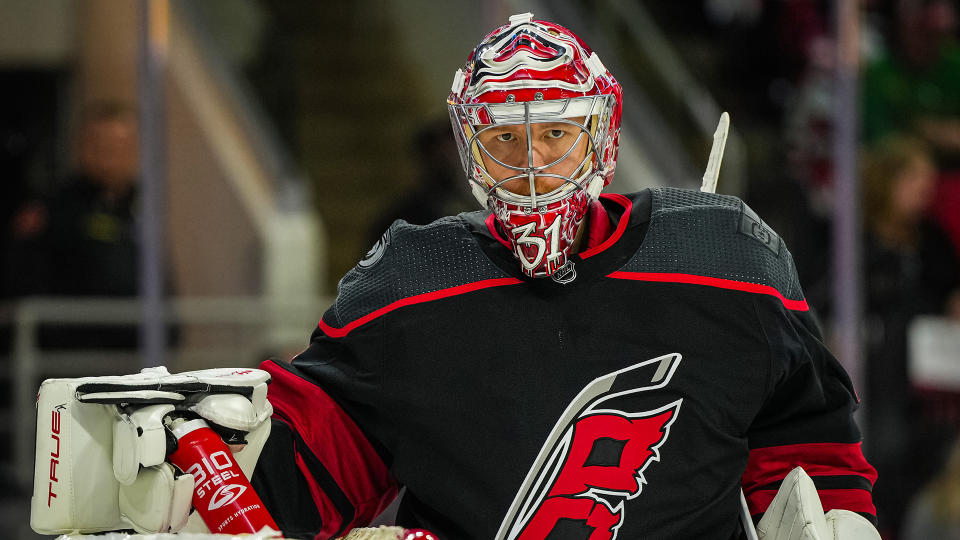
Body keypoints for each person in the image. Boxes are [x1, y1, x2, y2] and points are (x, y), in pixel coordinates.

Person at [33, 14, 880, 540]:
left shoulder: (724, 253)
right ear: (467, 147)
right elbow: (336, 454)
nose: (533, 165)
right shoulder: (414, 278)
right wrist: (240, 453)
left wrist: (833, 518)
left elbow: (806, 436)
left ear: (602, 132)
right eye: (505, 140)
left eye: (553, 133)